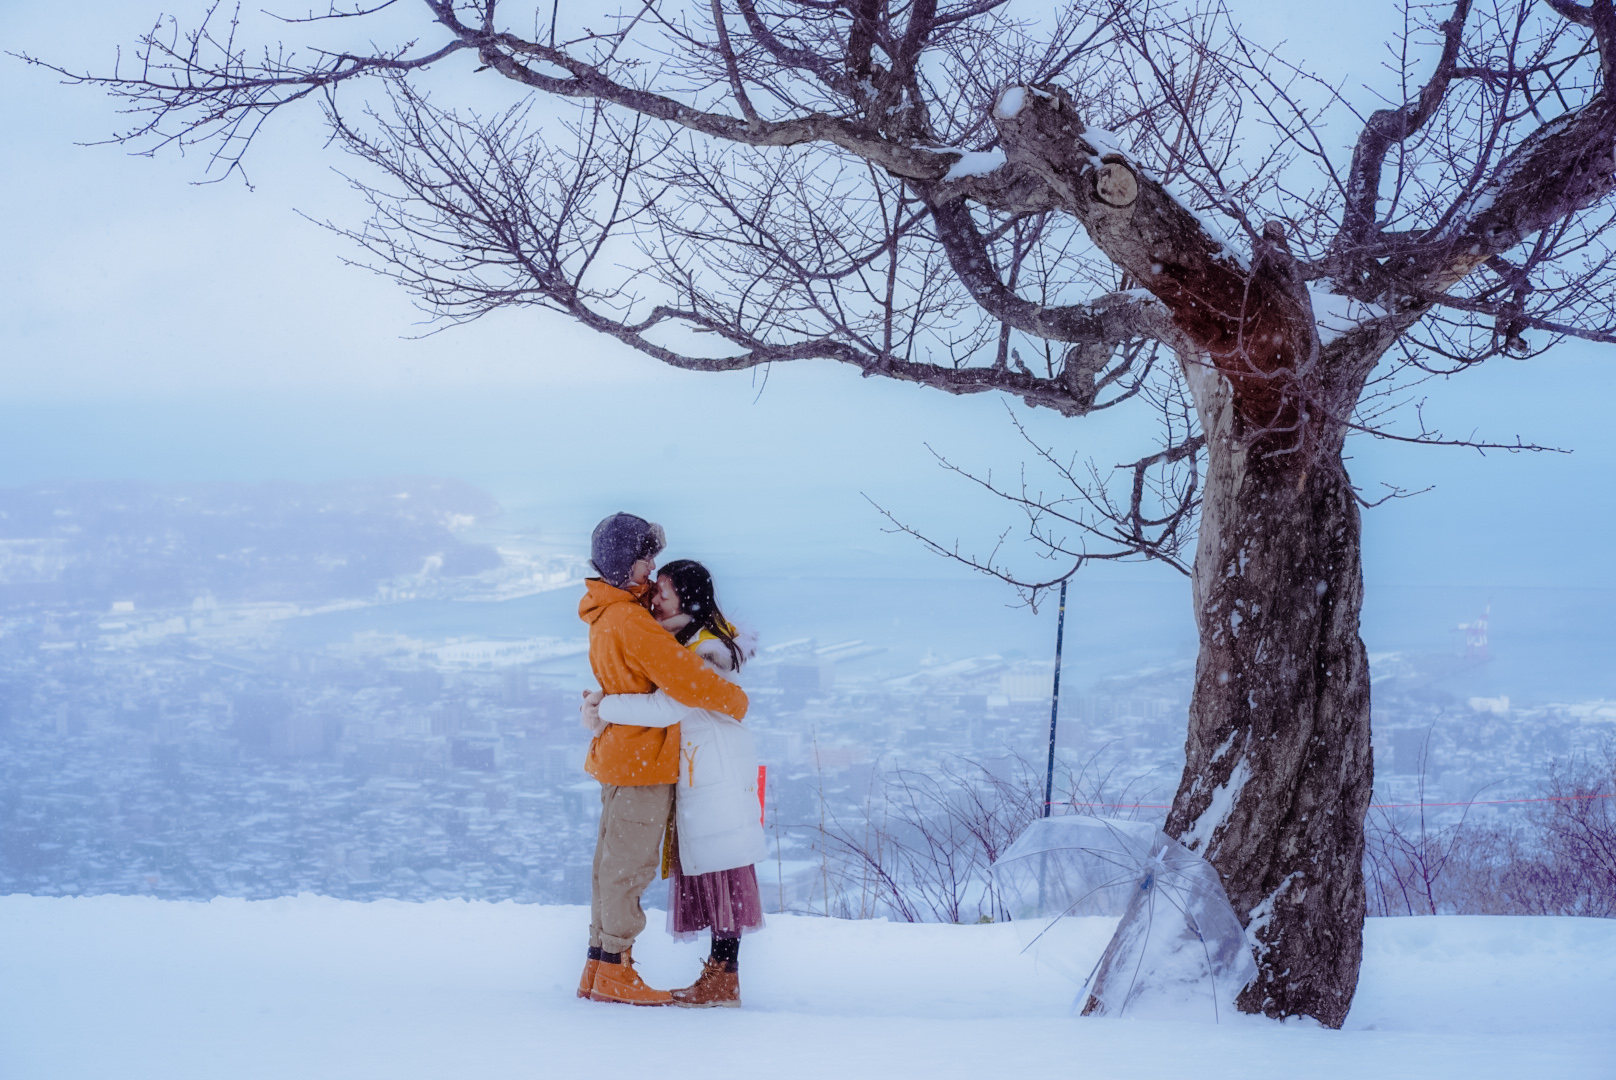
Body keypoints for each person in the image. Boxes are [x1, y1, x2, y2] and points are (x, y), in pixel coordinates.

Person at [575, 515, 750, 1007]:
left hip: (617, 753)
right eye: (645, 558)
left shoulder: (604, 613)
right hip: (642, 757)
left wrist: (600, 705)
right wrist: (736, 703)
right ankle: (614, 967)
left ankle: (599, 964)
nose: (652, 572)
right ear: (622, 562)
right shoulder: (632, 621)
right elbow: (687, 681)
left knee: (609, 865)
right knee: (627, 868)